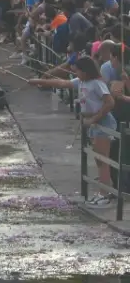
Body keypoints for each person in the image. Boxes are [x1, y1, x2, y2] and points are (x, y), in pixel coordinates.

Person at [31, 56, 118, 207]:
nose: (75, 73)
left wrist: (94, 119)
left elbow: (110, 102)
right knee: (99, 160)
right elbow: (62, 83)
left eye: (77, 71)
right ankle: (103, 192)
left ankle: (105, 194)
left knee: (102, 160)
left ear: (85, 71)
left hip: (103, 123)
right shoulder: (81, 82)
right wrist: (40, 81)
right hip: (93, 124)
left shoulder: (97, 83)